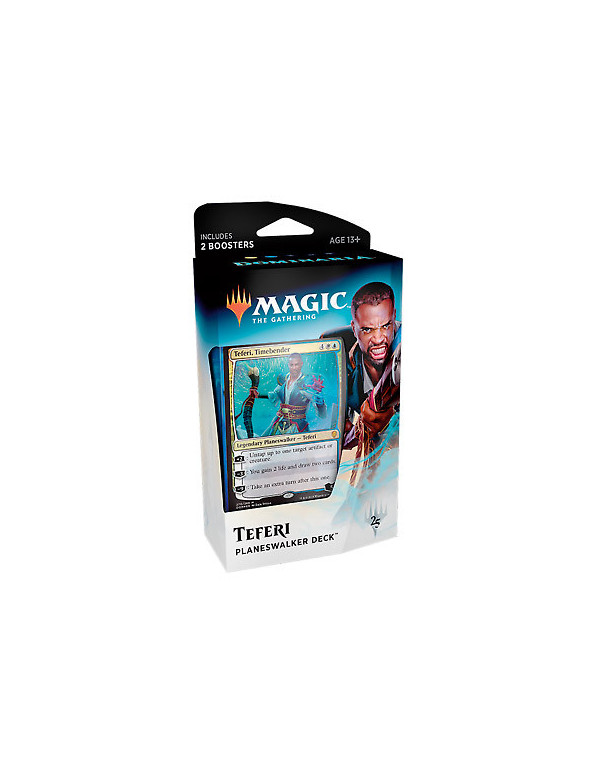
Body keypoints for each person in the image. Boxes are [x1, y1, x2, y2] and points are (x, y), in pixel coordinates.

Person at [321, 282, 401, 480]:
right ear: (354, 328)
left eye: (385, 326)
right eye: (367, 330)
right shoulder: (336, 352)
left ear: (394, 317)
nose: (378, 339)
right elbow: (336, 430)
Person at [265, 353, 326, 435]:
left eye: (296, 365)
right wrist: (257, 395)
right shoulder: (283, 379)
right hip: (280, 423)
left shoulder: (307, 382)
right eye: (292, 365)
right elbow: (274, 395)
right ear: (288, 365)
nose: (294, 368)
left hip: (298, 426)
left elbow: (321, 412)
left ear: (301, 364)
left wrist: (318, 396)